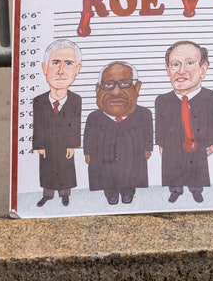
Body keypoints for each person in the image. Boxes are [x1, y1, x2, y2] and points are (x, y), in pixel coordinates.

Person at [155, 41, 213, 203]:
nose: (181, 71)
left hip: (198, 142)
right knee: (173, 167)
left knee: (197, 167)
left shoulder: (209, 97)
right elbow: (160, 125)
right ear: (168, 70)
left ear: (203, 69)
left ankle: (196, 190)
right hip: (172, 144)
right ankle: (175, 190)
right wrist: (161, 143)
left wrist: (212, 141)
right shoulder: (162, 100)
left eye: (189, 63)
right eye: (175, 65)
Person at [83, 61, 153, 205]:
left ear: (137, 87)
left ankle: (128, 193)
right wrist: (88, 152)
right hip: (103, 155)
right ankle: (111, 194)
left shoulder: (144, 114)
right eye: (108, 84)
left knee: (130, 173)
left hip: (133, 154)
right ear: (97, 90)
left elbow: (148, 132)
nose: (116, 92)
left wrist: (148, 148)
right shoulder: (94, 118)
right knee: (107, 175)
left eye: (125, 83)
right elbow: (88, 136)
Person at [33, 39, 82, 207]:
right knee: (47, 169)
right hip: (47, 143)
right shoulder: (39, 101)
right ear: (45, 68)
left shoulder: (75, 100)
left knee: (66, 169)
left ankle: (65, 195)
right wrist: (39, 144)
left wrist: (72, 144)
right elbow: (37, 124)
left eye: (68, 63)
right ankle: (47, 194)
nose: (61, 71)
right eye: (55, 63)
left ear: (77, 69)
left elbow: (75, 123)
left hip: (64, 143)